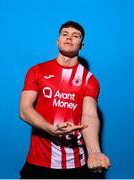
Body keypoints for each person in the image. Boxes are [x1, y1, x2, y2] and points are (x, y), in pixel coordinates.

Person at [19, 20, 110, 179]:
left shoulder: (89, 80)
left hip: (74, 163)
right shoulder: (37, 71)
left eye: (75, 36)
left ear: (81, 46)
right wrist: (49, 128)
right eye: (65, 34)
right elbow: (24, 110)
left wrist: (94, 152)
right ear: (57, 41)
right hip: (39, 161)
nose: (69, 38)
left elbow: (89, 115)